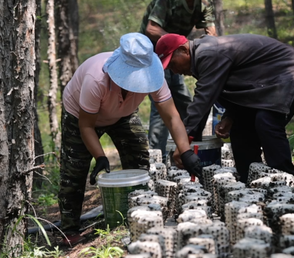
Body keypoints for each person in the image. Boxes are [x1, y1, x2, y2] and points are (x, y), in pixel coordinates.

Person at [59, 33, 203, 245]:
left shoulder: (155, 77)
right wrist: (99, 156)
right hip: (81, 116)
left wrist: (186, 151)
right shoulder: (96, 79)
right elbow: (86, 125)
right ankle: (69, 230)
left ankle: (137, 213)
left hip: (123, 114)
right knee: (75, 170)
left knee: (139, 157)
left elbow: (172, 117)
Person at [155, 33, 294, 183]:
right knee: (241, 130)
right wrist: (231, 116)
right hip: (266, 82)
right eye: (169, 69)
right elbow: (239, 85)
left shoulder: (207, 53)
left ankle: (287, 181)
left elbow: (203, 100)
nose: (175, 72)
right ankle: (252, 181)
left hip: (290, 71)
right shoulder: (201, 57)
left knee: (267, 121)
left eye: (173, 64)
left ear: (184, 50)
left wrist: (184, 144)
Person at [139, 0, 218, 155]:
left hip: (176, 59)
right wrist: (178, 42)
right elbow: (151, 28)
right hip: (154, 57)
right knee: (162, 108)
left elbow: (212, 34)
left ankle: (193, 149)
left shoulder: (205, 2)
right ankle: (157, 160)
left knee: (185, 104)